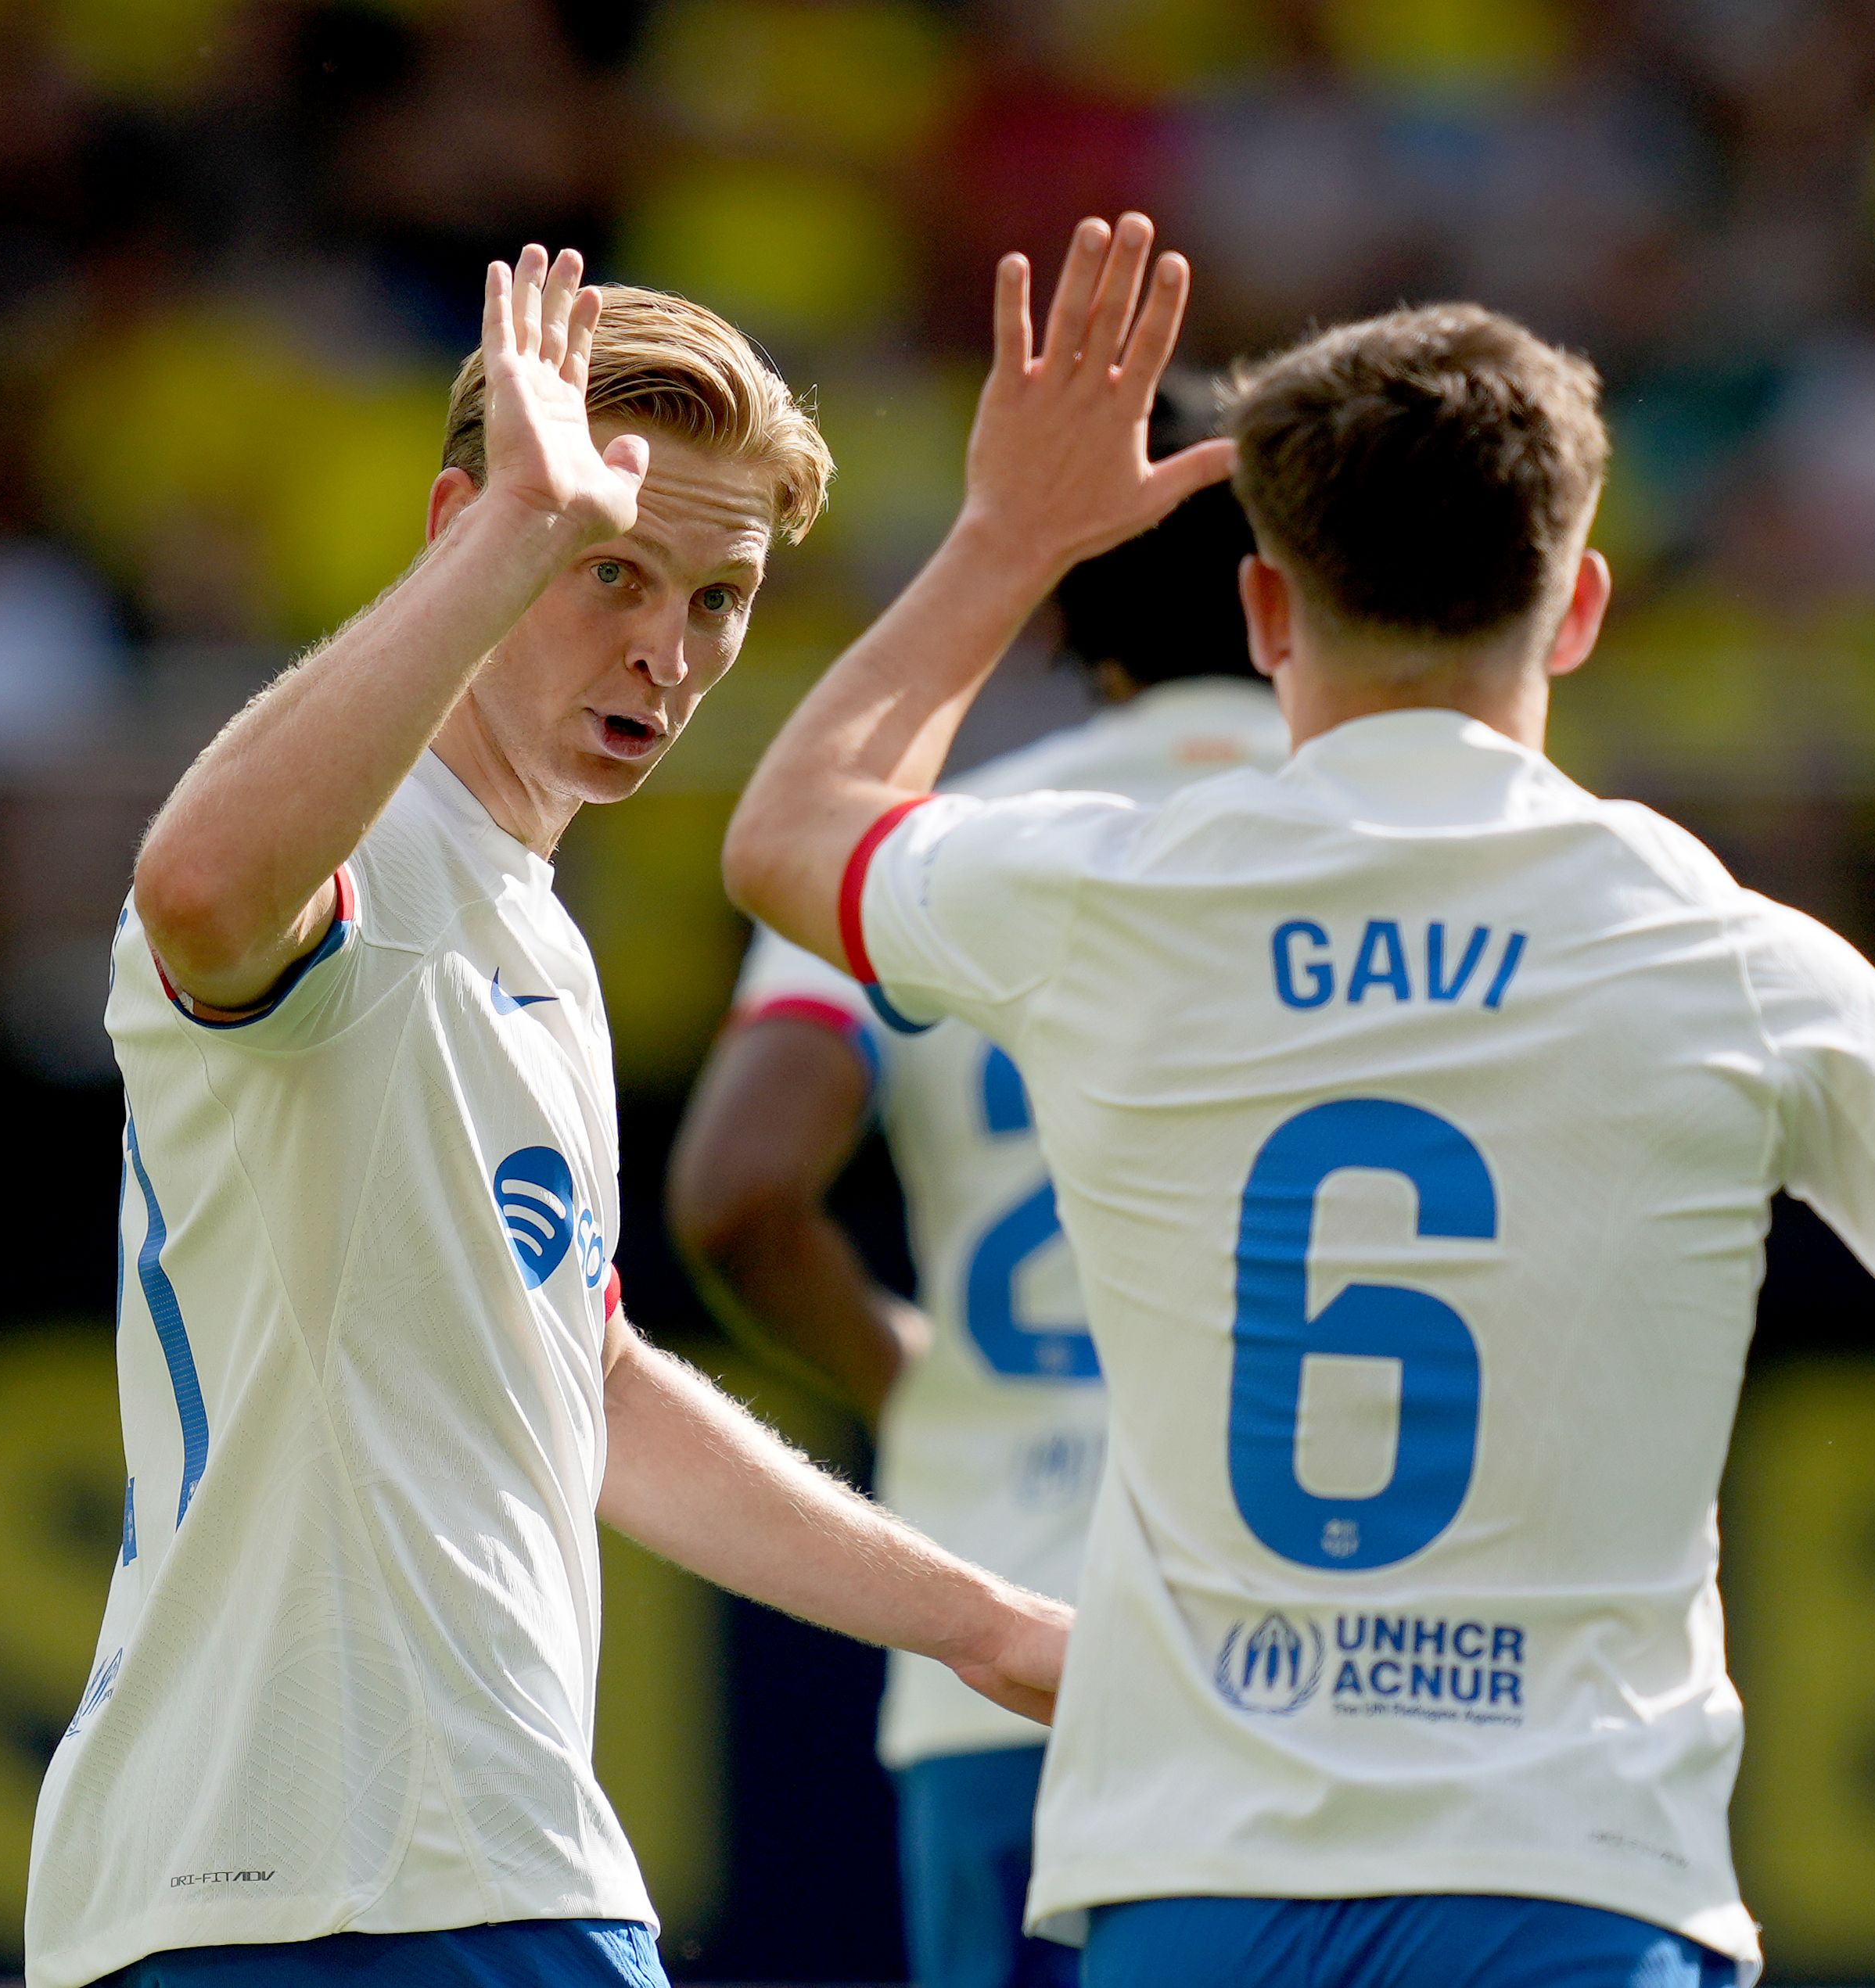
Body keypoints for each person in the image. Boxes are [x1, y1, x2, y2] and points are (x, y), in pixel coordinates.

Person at [720, 214, 1875, 1987]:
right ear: (1577, 606)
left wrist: (1005, 538)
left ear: (1266, 609)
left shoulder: (1107, 897)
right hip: (1570, 1881)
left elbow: (784, 835)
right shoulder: (1734, 957)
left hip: (1196, 1884)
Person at [26, 247, 1069, 1988]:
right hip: (362, 1885)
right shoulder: (368, 854)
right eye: (611, 570)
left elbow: (582, 1378)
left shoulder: (530, 929)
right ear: (465, 525)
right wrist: (516, 524)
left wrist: (987, 1621)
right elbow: (202, 888)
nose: (667, 650)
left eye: (719, 599)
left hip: (372, 1874)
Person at [666, 375, 1284, 1988]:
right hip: (1353, 1661)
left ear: (1068, 611)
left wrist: (913, 1382)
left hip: (1017, 1636)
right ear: (1296, 595)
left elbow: (737, 1188)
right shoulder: (1421, 849)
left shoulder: (940, 846)